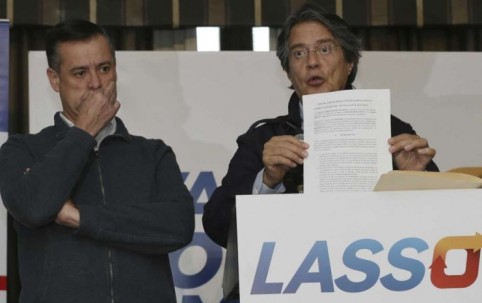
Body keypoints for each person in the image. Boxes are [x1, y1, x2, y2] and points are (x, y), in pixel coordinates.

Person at [202, 4, 438, 248]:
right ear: (287, 72)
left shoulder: (392, 131)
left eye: (324, 49)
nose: (312, 62)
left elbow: (444, 220)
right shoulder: (264, 141)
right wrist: (268, 181)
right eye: (299, 54)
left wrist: (417, 178)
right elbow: (217, 226)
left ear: (349, 63)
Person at [0, 20, 194, 303]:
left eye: (104, 68)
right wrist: (83, 132)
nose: (95, 83)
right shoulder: (22, 150)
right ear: (55, 80)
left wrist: (81, 218)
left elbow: (178, 226)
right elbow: (33, 207)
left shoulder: (152, 154)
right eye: (80, 73)